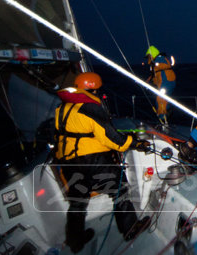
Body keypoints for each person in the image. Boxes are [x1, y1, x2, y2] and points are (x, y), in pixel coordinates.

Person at [54, 72, 151, 253]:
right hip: (92, 161)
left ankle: (75, 241)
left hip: (68, 161)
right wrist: (136, 143)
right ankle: (130, 228)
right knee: (119, 190)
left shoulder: (62, 108)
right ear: (94, 89)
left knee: (77, 201)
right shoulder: (90, 108)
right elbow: (114, 140)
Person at [145, 45, 176, 123]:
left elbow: (166, 65)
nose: (148, 58)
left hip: (167, 82)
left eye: (149, 56)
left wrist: (155, 64)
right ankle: (162, 117)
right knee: (159, 99)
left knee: (161, 99)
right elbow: (154, 75)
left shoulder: (160, 58)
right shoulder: (155, 63)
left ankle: (164, 118)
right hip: (163, 83)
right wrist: (148, 81)